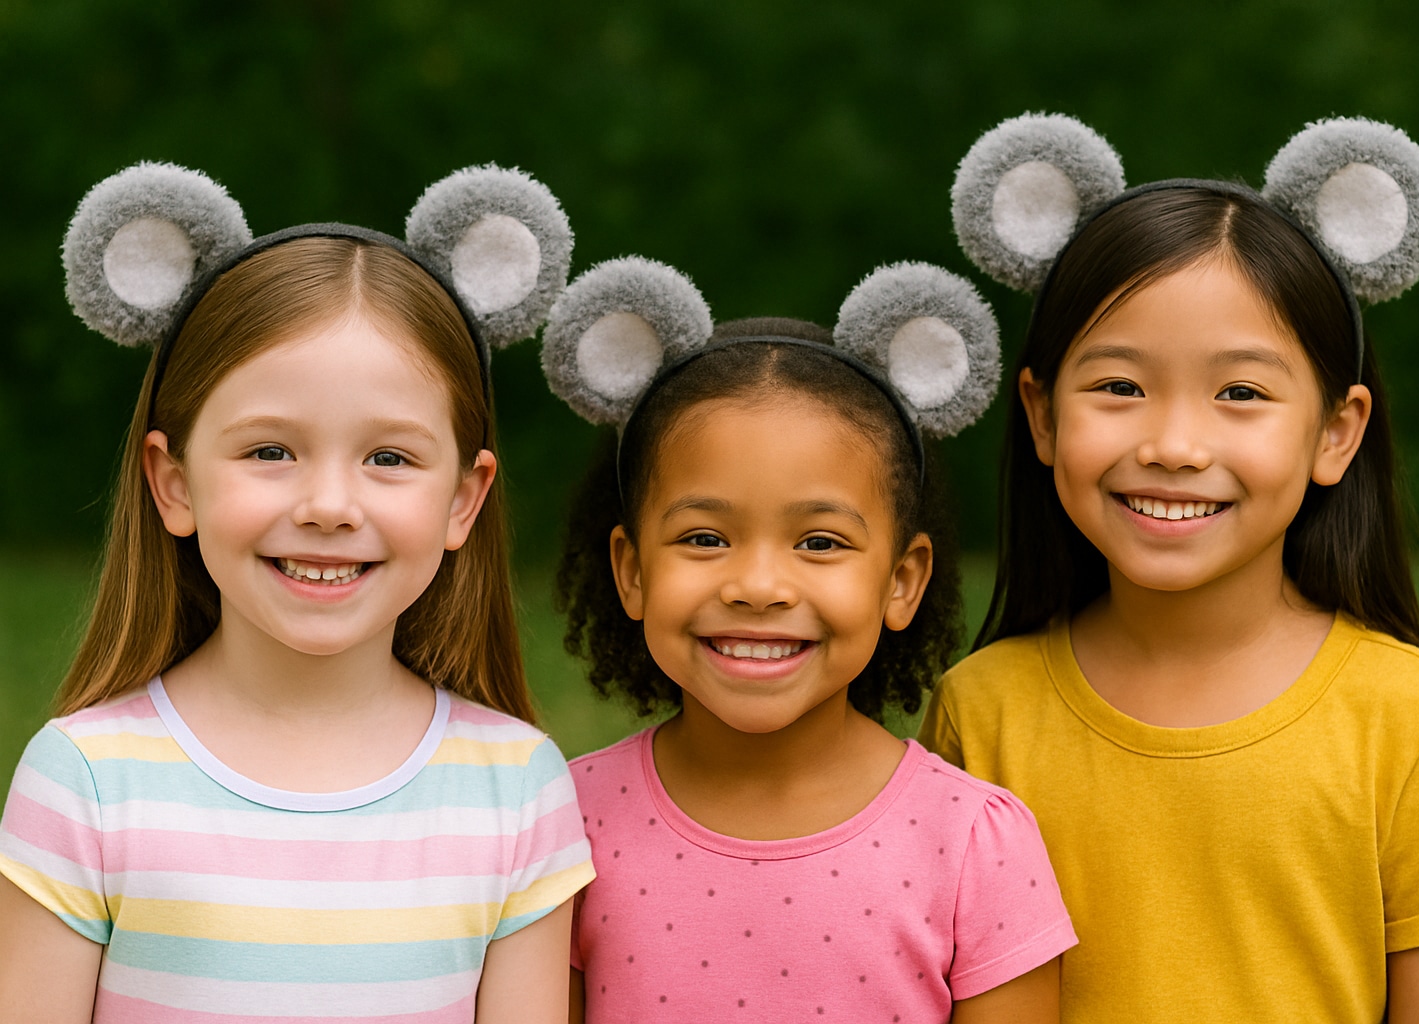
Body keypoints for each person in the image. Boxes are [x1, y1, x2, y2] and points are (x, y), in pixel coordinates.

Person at [921, 113, 1419, 1023]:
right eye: (1120, 387)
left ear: (1336, 433)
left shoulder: (1415, 723)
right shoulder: (982, 714)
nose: (1173, 445)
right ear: (1042, 418)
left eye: (1240, 393)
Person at [0, 162, 594, 1023]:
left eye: (388, 458)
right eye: (270, 451)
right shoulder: (88, 780)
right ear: (174, 484)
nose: (327, 507)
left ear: (463, 500)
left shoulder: (515, 788)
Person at [541, 256, 1078, 1023]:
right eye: (704, 537)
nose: (759, 586)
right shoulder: (565, 824)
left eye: (820, 543)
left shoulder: (973, 844)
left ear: (902, 580)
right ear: (630, 571)